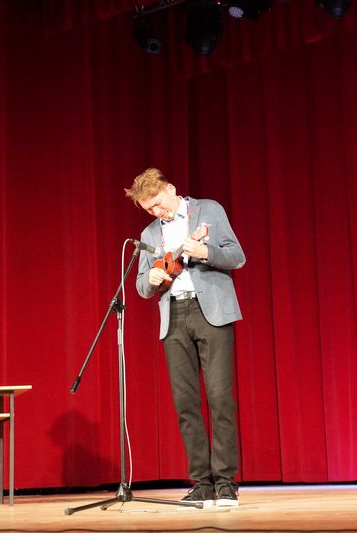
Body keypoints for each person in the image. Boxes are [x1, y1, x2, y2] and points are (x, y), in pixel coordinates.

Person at [125, 167, 246, 507]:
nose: (157, 212)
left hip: (211, 312)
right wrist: (151, 279)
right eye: (149, 209)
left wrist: (206, 252)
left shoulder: (208, 210)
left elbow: (237, 257)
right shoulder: (149, 233)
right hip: (174, 316)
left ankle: (226, 482)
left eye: (158, 204)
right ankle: (202, 483)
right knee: (185, 403)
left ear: (171, 189)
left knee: (220, 398)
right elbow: (141, 286)